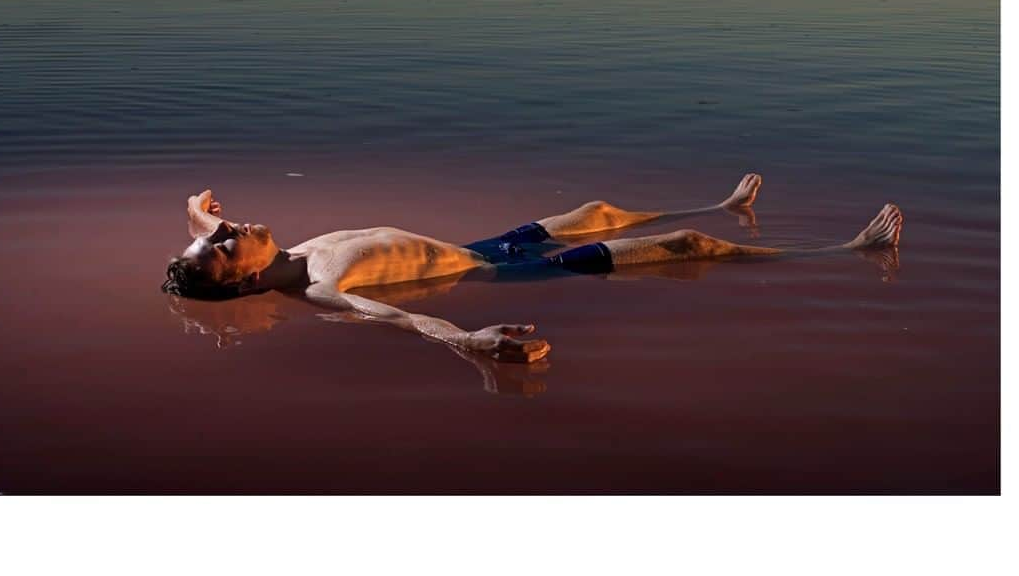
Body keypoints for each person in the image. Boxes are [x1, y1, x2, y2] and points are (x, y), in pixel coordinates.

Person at [161, 173, 902, 364]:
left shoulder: (278, 253)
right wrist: (471, 342)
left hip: (484, 248)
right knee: (685, 252)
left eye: (223, 230)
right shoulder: (322, 287)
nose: (233, 228)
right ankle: (848, 252)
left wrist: (198, 224)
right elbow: (408, 318)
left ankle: (721, 202)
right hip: (504, 278)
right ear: (250, 281)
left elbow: (218, 248)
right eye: (228, 241)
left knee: (597, 206)